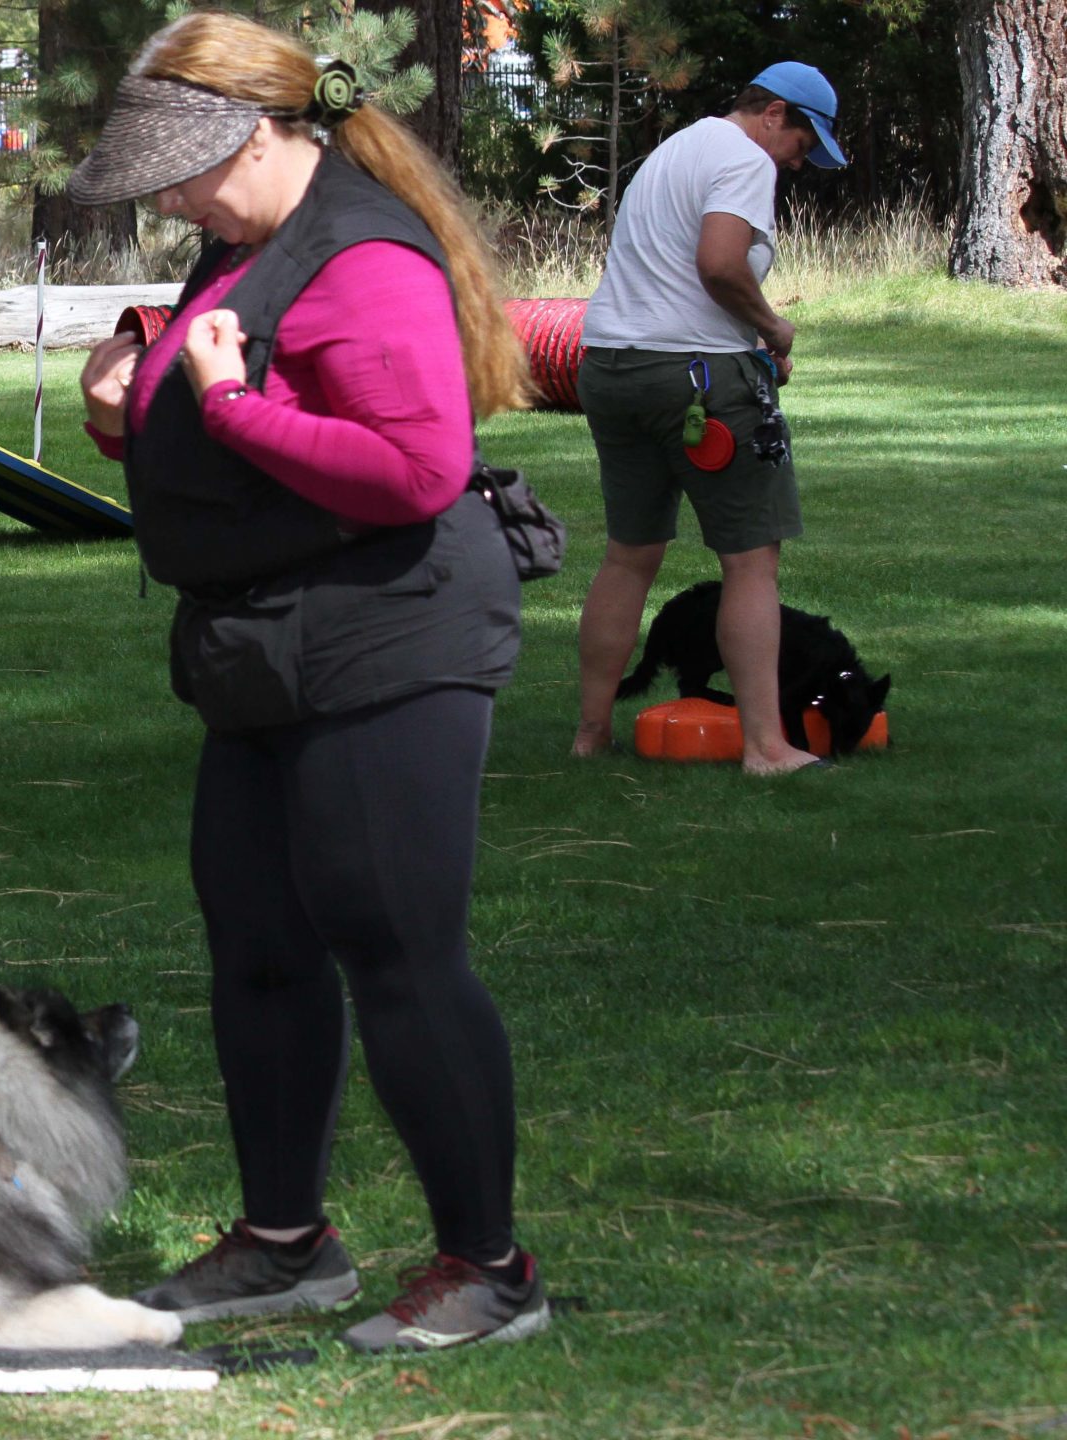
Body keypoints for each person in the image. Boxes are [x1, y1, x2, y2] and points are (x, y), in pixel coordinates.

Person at [68, 13, 546, 1352]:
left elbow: (414, 468)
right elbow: (221, 439)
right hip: (264, 646)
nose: (173, 194)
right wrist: (129, 402)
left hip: (390, 633)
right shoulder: (244, 243)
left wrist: (224, 406)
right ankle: (288, 1243)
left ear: (277, 130)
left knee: (398, 952)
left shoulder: (366, 255)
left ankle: (491, 1269)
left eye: (193, 165)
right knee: (262, 954)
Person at [569, 63, 847, 776]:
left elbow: (663, 276)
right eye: (803, 141)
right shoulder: (746, 157)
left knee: (630, 553)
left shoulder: (675, 150)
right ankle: (766, 748)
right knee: (752, 562)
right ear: (773, 112)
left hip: (609, 365)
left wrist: (744, 338)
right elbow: (719, 265)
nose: (800, 160)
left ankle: (591, 733)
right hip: (694, 380)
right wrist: (772, 328)